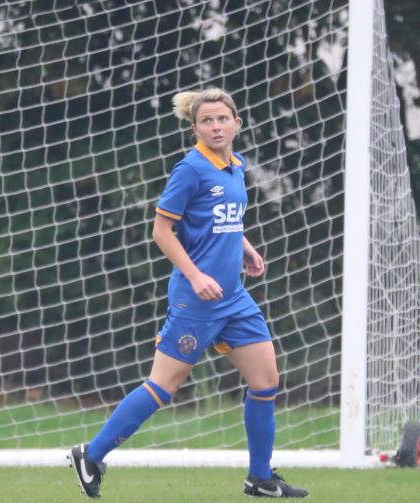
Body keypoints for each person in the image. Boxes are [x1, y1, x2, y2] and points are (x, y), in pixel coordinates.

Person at [68, 88, 309, 499]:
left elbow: (224, 220)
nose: (215, 127)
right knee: (164, 387)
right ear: (195, 127)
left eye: (222, 119)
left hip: (233, 297)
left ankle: (259, 477)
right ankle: (91, 455)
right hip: (195, 299)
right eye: (207, 121)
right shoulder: (190, 169)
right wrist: (196, 276)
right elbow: (162, 231)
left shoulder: (236, 164)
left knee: (266, 381)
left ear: (237, 122)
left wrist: (245, 248)